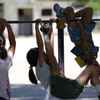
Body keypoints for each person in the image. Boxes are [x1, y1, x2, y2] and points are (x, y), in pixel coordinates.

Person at [26, 18, 100, 100]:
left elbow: (51, 44)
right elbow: (41, 47)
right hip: (59, 88)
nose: (44, 53)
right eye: (43, 53)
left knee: (92, 69)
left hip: (70, 89)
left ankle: (99, 91)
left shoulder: (46, 64)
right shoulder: (40, 65)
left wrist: (51, 26)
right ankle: (45, 34)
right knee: (51, 56)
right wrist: (36, 27)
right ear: (38, 57)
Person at [0, 18, 16, 100]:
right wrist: (8, 26)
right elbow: (12, 44)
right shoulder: (6, 59)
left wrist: (2, 28)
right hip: (3, 97)